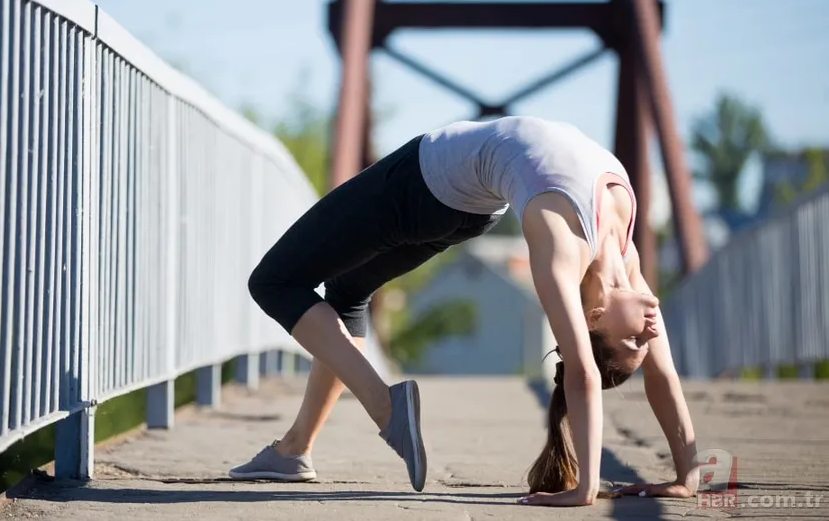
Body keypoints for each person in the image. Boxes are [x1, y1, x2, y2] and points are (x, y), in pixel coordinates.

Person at [230, 115, 700, 506]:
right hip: (465, 210)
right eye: (643, 342)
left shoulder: (562, 245)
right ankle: (294, 451)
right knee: (348, 294)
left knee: (273, 282)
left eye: (633, 341)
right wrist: (687, 475)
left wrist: (584, 488)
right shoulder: (624, 255)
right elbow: (662, 375)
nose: (650, 333)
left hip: (423, 182)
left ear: (592, 319)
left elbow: (582, 372)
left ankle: (383, 405)